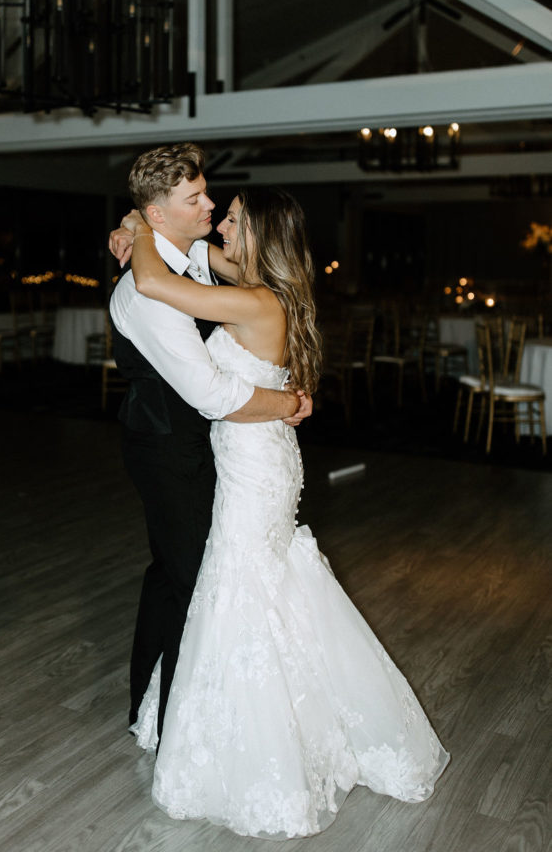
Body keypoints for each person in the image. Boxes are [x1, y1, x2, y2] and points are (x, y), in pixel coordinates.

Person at [118, 186, 450, 840]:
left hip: (254, 468)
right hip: (260, 459)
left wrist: (138, 219)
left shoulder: (254, 300)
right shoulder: (258, 285)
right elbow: (190, 257)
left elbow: (156, 281)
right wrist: (149, 229)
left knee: (241, 589)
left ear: (258, 236)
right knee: (263, 587)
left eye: (233, 221)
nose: (219, 226)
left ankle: (259, 747)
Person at [108, 143, 312, 746]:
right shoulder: (147, 289)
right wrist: (286, 403)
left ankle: (168, 702)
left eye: (209, 194)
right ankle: (178, 725)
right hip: (172, 445)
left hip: (218, 448)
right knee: (193, 579)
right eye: (195, 198)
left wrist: (131, 226)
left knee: (178, 575)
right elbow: (213, 393)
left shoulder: (194, 256)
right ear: (158, 214)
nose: (211, 205)